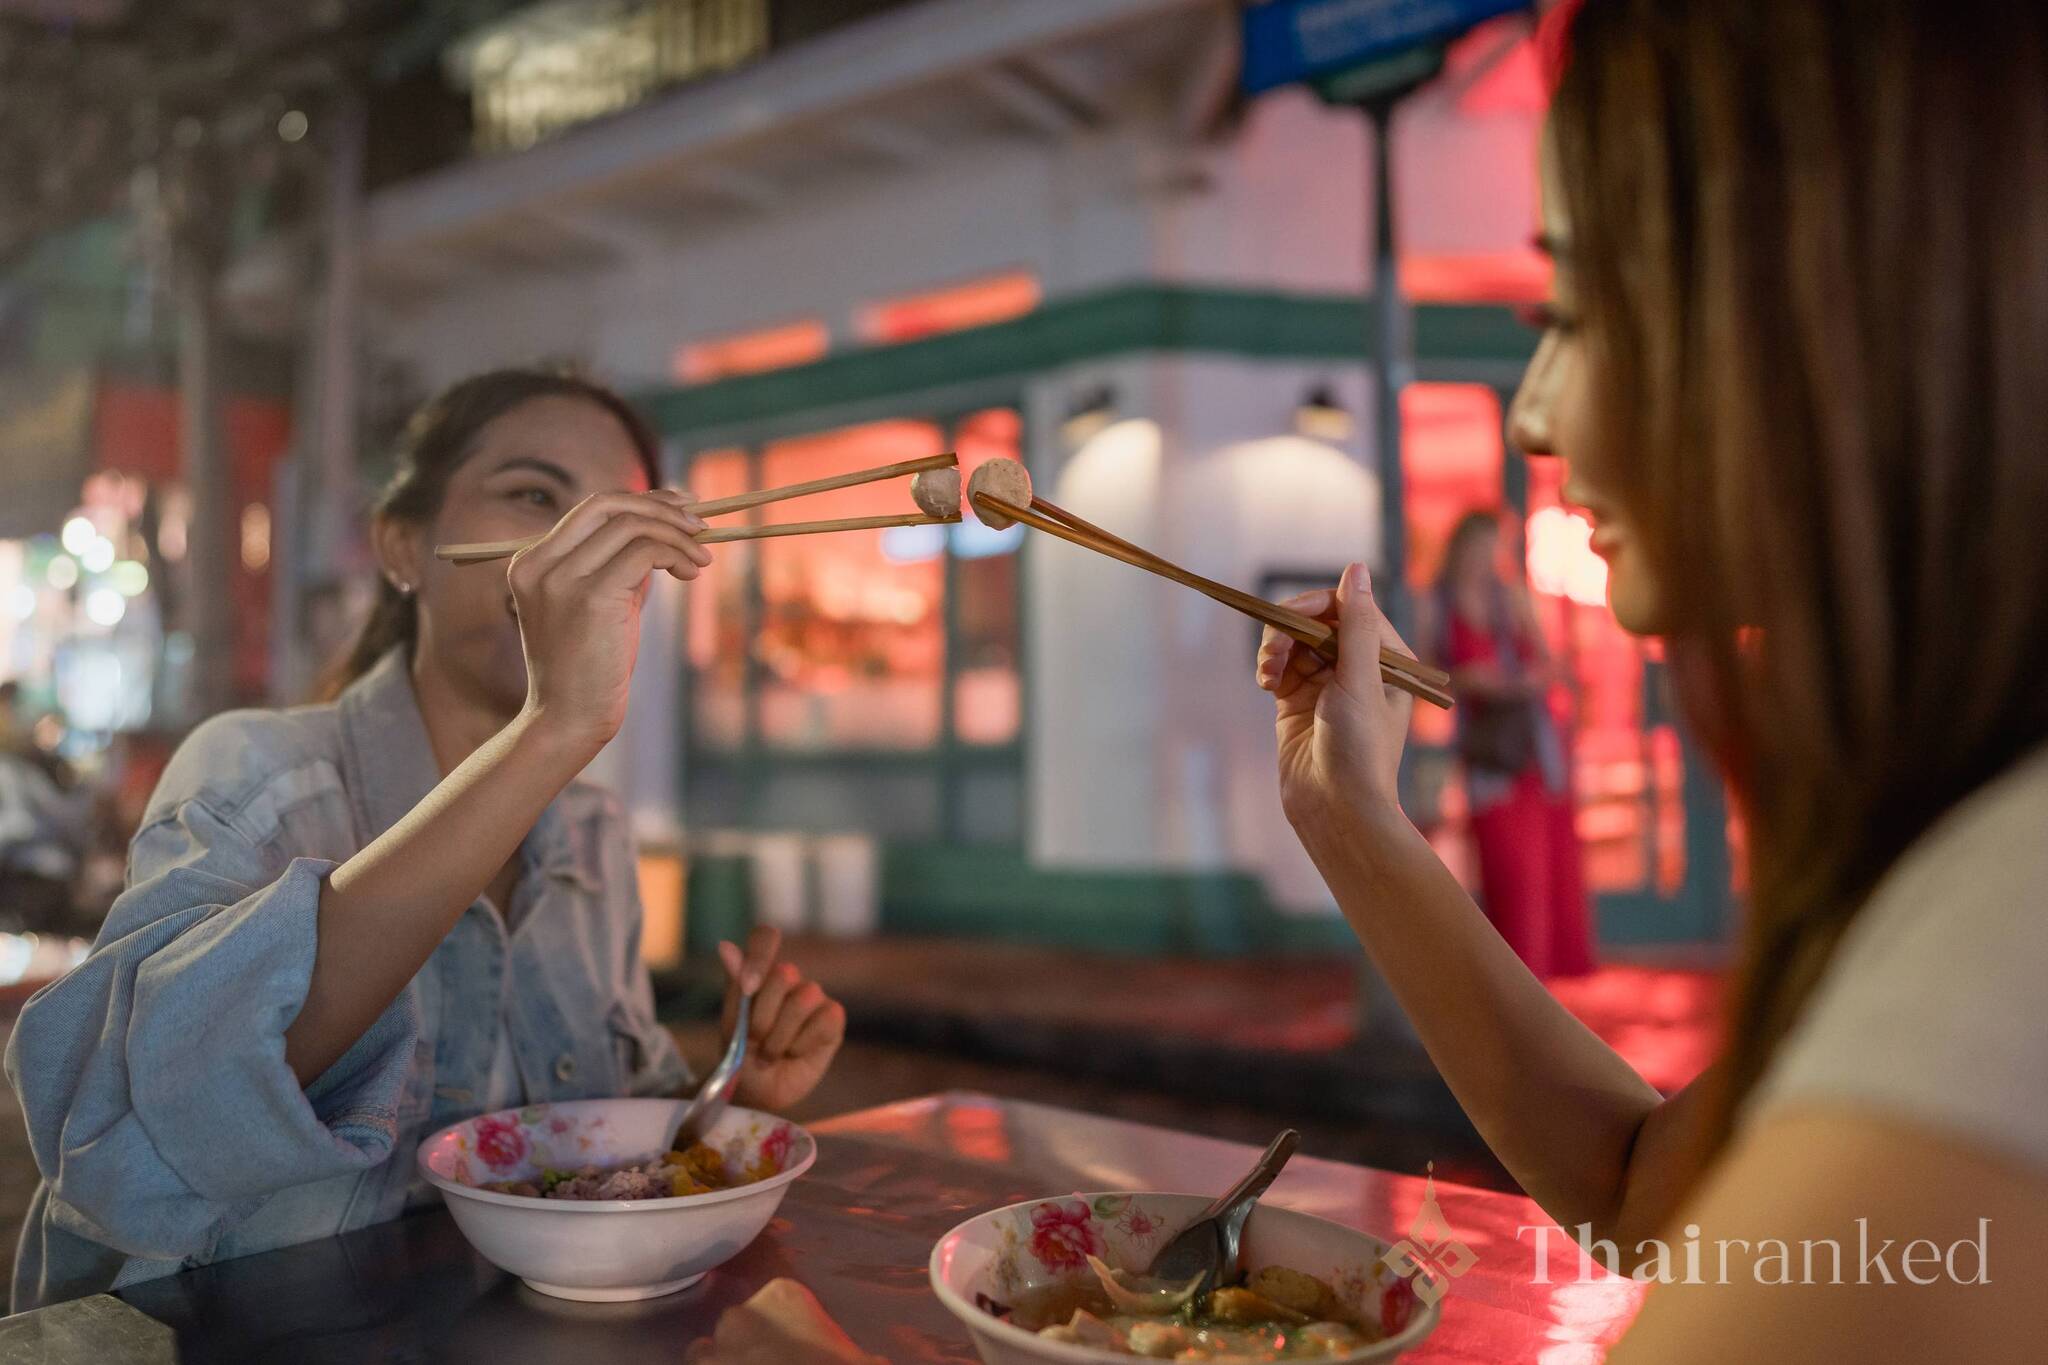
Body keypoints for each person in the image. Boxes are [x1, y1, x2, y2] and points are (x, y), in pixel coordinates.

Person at [1258, 1, 2048, 1357]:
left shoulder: (2012, 924)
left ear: (1838, 317)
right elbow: (1645, 1191)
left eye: (1577, 310)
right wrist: (1349, 815)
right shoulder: (1964, 842)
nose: (1533, 414)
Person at [5, 368, 847, 1310]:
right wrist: (554, 729)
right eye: (536, 496)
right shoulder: (260, 776)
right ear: (403, 546)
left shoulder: (591, 834)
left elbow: (607, 1143)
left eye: (624, 518)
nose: (581, 544)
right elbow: (123, 1132)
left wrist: (731, 1094)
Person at [1425, 509, 1593, 977]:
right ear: (1459, 549)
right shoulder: (1437, 604)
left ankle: (1540, 977)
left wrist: (1514, 683)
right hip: (1487, 753)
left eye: (1490, 548)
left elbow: (1551, 666)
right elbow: (1423, 675)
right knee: (1505, 870)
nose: (1483, 559)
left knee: (1540, 872)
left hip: (1532, 750)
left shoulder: (1511, 598)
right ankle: (1512, 978)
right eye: (1476, 548)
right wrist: (1465, 680)